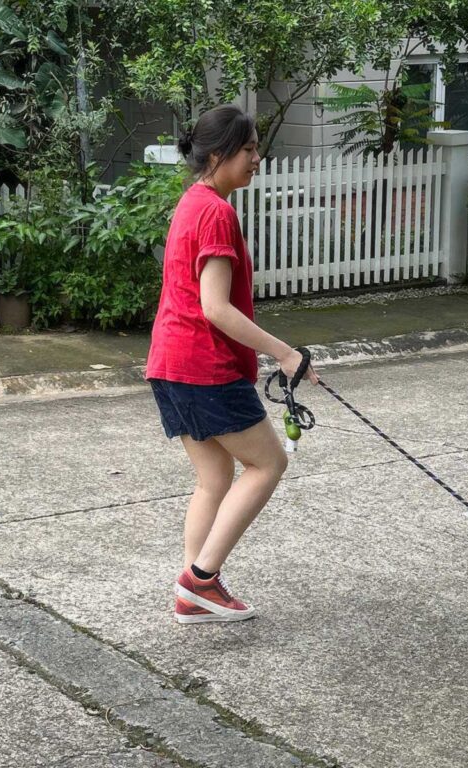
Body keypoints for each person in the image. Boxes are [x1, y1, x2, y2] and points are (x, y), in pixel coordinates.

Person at [145, 103, 319, 625]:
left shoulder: (192, 202)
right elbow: (215, 308)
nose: (256, 159)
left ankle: (191, 593)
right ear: (218, 154)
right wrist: (285, 353)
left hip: (169, 364)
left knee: (215, 476)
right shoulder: (217, 212)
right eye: (247, 149)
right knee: (268, 464)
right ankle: (201, 579)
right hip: (205, 367)